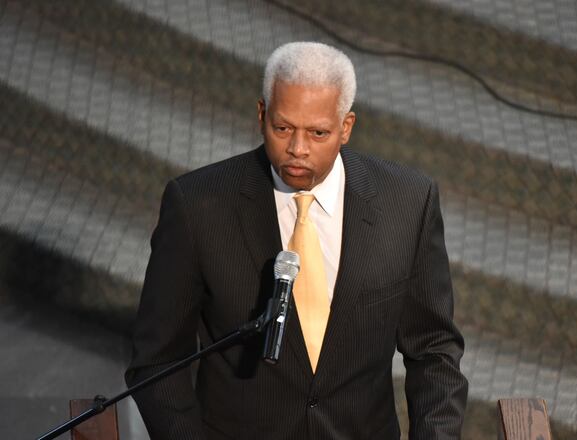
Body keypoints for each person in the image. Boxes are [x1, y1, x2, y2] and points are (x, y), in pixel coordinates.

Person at [126, 41, 468, 439]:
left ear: (346, 127)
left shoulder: (407, 203)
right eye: (283, 128)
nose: (297, 149)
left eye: (318, 133)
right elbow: (156, 360)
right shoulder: (198, 205)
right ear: (261, 115)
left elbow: (434, 350)